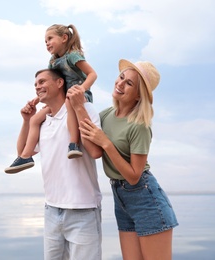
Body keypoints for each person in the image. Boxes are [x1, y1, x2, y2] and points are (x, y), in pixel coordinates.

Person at [75, 59, 179, 259]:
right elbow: (95, 152)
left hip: (145, 198)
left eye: (129, 83)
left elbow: (134, 176)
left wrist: (106, 143)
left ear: (139, 95)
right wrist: (79, 109)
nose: (120, 84)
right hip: (120, 197)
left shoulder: (139, 126)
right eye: (121, 77)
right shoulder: (106, 115)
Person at [9, 68, 102, 259]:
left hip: (82, 209)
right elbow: (22, 153)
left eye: (42, 82)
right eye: (35, 84)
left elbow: (95, 152)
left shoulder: (85, 109)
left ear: (60, 83)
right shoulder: (42, 120)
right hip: (51, 209)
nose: (37, 87)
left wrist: (78, 107)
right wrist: (27, 121)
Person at [4, 24, 97, 174]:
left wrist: (81, 89)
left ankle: (73, 144)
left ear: (64, 38)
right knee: (35, 120)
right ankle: (26, 156)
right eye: (45, 41)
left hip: (78, 95)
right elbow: (51, 82)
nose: (47, 43)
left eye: (50, 39)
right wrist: (37, 99)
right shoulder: (53, 62)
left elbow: (92, 74)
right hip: (64, 98)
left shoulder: (73, 55)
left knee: (69, 101)